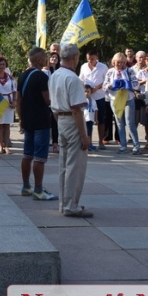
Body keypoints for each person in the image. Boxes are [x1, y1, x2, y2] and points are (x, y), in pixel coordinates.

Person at [49, 43, 92, 218]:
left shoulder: (54, 75)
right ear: (74, 57)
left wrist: (59, 122)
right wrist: (84, 135)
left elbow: (52, 105)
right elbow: (77, 109)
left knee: (63, 165)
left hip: (60, 119)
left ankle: (64, 203)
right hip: (73, 121)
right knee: (75, 165)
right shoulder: (73, 78)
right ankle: (70, 205)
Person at [15, 47, 57, 201]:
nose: (47, 58)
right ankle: (38, 190)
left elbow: (18, 100)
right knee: (40, 156)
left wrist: (21, 119)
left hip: (28, 120)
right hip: (41, 121)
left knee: (27, 154)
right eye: (45, 56)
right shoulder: (41, 77)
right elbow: (48, 100)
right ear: (39, 60)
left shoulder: (22, 75)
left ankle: (26, 186)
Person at [103, 52, 141, 155]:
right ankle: (123, 145)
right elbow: (104, 86)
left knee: (130, 123)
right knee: (119, 123)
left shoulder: (129, 71)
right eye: (117, 62)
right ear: (113, 62)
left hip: (128, 99)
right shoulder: (110, 72)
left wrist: (128, 84)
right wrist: (110, 85)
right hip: (115, 99)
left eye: (122, 62)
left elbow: (136, 84)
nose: (119, 64)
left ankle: (136, 145)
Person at [79, 48, 109, 150]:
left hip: (99, 96)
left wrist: (98, 87)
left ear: (96, 57)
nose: (90, 61)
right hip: (87, 97)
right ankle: (89, 141)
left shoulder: (103, 67)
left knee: (100, 119)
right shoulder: (83, 67)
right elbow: (81, 80)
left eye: (92, 59)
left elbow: (107, 80)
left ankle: (101, 141)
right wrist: (86, 89)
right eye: (88, 59)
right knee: (88, 119)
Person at [44, 51, 61, 153]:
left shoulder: (60, 71)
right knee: (47, 121)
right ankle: (46, 142)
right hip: (48, 99)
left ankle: (55, 143)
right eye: (52, 57)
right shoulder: (45, 71)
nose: (54, 59)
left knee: (55, 123)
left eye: (56, 58)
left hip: (57, 99)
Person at [83, 84, 97, 151]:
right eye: (85, 91)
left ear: (91, 92)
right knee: (85, 132)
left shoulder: (93, 101)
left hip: (90, 119)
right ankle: (86, 144)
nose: (86, 93)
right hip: (84, 119)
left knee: (89, 132)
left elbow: (96, 110)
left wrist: (96, 119)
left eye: (88, 91)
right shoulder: (82, 100)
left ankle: (90, 143)